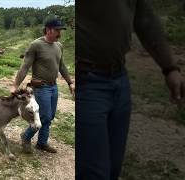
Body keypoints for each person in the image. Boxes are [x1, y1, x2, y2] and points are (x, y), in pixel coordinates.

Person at [77, 0, 185, 180]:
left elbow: (145, 18)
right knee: (94, 172)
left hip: (119, 79)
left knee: (113, 167)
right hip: (86, 82)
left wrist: (170, 67)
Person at [10, 16, 75, 153]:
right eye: (58, 30)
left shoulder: (59, 46)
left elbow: (62, 66)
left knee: (49, 116)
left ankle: (41, 143)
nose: (60, 33)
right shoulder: (36, 45)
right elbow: (25, 66)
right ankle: (26, 136)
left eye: (61, 30)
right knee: (44, 116)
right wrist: (15, 85)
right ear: (48, 30)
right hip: (41, 87)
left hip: (53, 86)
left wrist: (70, 82)